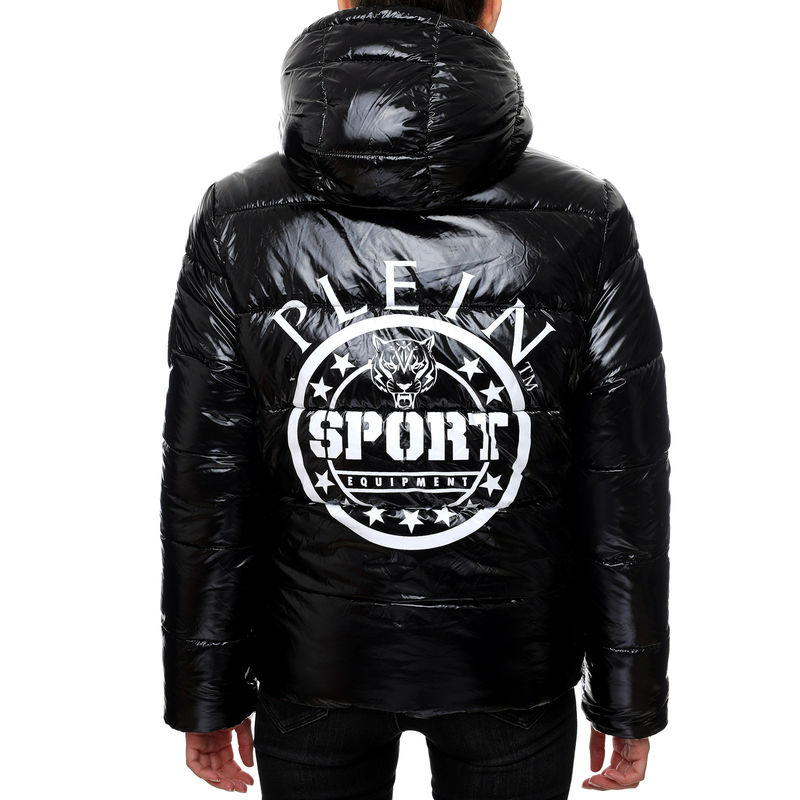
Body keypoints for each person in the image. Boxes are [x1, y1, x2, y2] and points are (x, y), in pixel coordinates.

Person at [159, 1, 671, 797]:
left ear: (343, 2)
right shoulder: (584, 218)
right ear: (491, 7)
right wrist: (628, 694)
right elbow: (622, 483)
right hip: (509, 665)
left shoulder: (239, 217)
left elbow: (208, 481)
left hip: (314, 659)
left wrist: (205, 689)